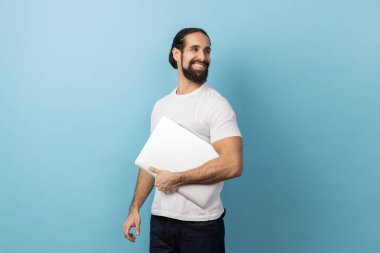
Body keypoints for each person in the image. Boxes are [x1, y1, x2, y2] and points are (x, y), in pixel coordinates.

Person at [123, 28, 243, 253]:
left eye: (207, 51)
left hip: (202, 225)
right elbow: (151, 163)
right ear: (177, 54)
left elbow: (233, 164)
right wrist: (135, 207)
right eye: (194, 49)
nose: (203, 57)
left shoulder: (216, 105)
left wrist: (177, 179)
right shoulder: (161, 106)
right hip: (161, 221)